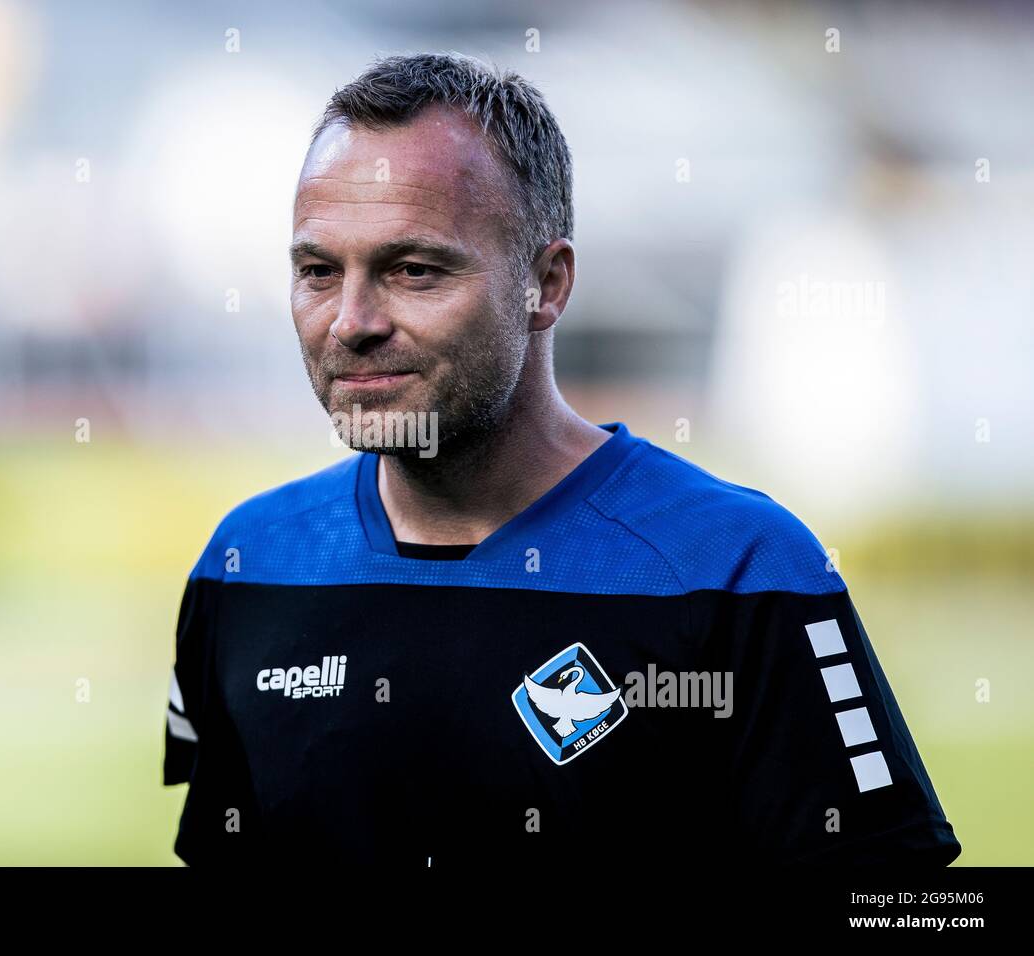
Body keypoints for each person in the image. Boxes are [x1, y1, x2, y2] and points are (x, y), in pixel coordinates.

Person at [162, 52, 961, 867]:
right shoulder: (248, 565)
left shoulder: (739, 570)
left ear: (546, 283)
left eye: (413, 271)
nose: (352, 321)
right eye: (318, 272)